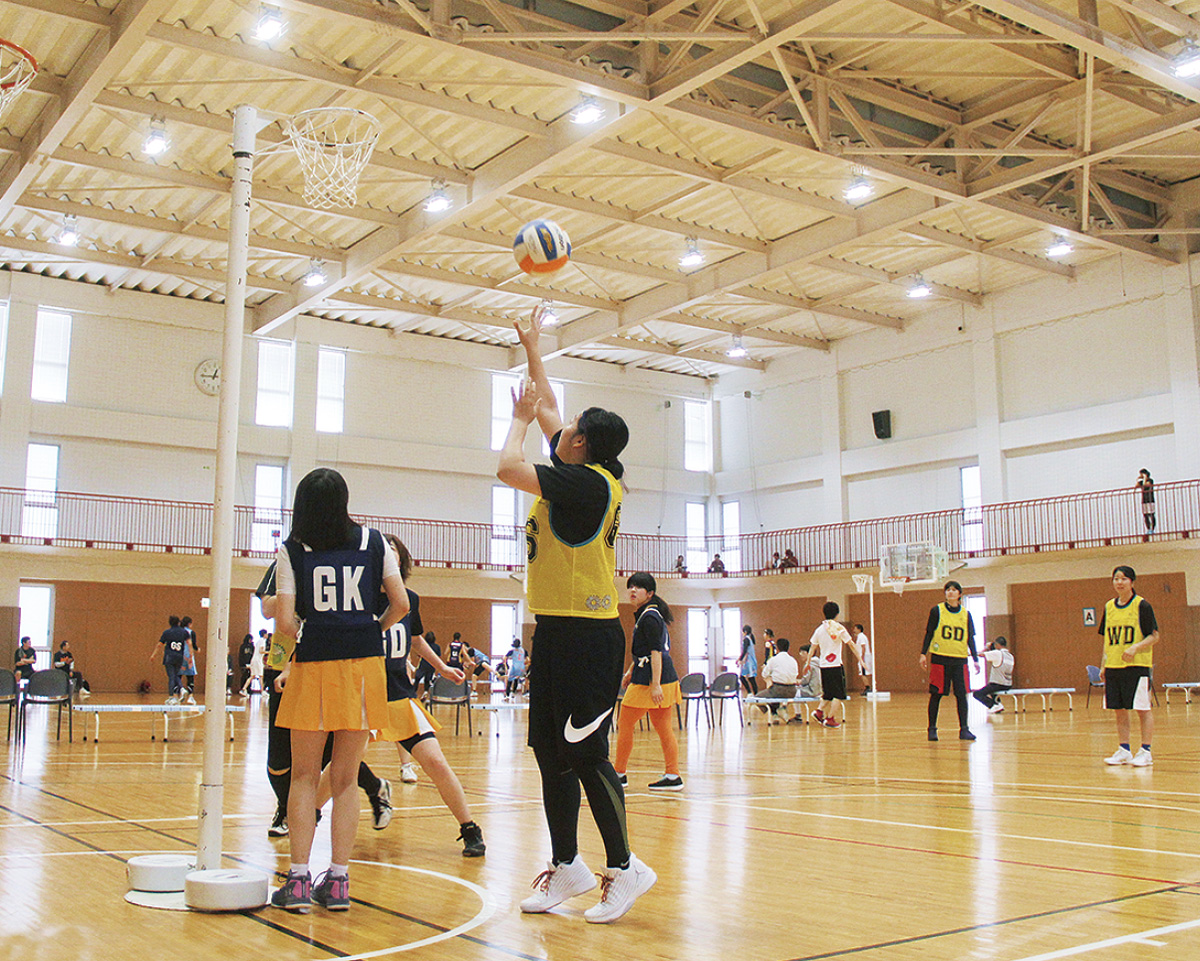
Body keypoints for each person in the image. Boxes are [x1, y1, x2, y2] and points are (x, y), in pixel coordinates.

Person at [499, 303, 655, 924]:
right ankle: (568, 866)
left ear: (583, 445)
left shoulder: (585, 483)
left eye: (570, 431)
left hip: (591, 639)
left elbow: (509, 465)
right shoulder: (580, 468)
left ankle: (625, 867)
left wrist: (514, 418)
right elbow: (551, 411)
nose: (556, 430)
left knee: (587, 755)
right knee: (548, 751)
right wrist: (535, 349)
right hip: (556, 633)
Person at [269, 467, 408, 913]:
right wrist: (371, 629)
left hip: (314, 665)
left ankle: (297, 882)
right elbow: (401, 604)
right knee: (346, 779)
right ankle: (340, 881)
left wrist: (278, 661)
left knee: (305, 776)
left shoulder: (291, 550)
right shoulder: (375, 541)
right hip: (364, 668)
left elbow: (287, 623)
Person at [375, 533, 486, 856]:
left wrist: (441, 667)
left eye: (393, 550)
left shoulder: (409, 598)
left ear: (402, 559)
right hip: (364, 694)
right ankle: (306, 815)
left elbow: (415, 640)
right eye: (382, 550)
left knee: (435, 761)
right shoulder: (361, 596)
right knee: (337, 770)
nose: (387, 554)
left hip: (399, 694)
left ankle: (469, 827)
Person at [614, 572, 683, 791]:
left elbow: (656, 652)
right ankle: (673, 776)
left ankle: (619, 773)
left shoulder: (651, 617)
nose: (632, 590)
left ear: (650, 593)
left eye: (638, 587)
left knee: (624, 723)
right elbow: (644, 651)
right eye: (630, 586)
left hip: (653, 679)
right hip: (653, 676)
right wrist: (630, 670)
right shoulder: (647, 614)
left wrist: (655, 685)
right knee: (663, 728)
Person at [1099, 566, 1159, 767]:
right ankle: (1124, 750)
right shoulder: (1108, 607)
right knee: (1119, 710)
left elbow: (1154, 636)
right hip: (1114, 666)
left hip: (1137, 666)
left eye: (1124, 579)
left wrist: (1135, 648)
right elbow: (1106, 640)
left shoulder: (1142, 605)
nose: (1119, 582)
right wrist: (1103, 665)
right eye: (1116, 578)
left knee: (1142, 709)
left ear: (1132, 582)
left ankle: (1146, 751)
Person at [920, 581, 980, 742]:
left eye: (954, 590)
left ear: (960, 594)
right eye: (948, 590)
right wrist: (923, 653)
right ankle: (932, 729)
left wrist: (975, 659)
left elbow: (970, 638)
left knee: (962, 695)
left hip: (960, 660)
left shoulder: (966, 614)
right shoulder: (937, 610)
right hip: (940, 659)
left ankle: (964, 729)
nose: (950, 592)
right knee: (936, 695)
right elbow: (929, 633)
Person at [809, 602, 854, 729]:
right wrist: (861, 660)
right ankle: (830, 718)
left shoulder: (819, 629)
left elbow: (812, 648)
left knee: (828, 693)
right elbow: (851, 644)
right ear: (837, 613)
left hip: (824, 666)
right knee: (839, 694)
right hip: (835, 665)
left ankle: (819, 712)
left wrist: (807, 663)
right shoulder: (839, 628)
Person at [150, 616, 194, 704]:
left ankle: (171, 697)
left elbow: (159, 645)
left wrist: (153, 655)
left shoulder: (167, 632)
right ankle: (181, 689)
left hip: (169, 656)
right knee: (176, 675)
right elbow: (189, 644)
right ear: (178, 622)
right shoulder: (184, 632)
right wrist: (190, 657)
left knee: (171, 676)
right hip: (179, 657)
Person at [758, 637, 799, 723]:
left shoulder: (773, 660)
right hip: (792, 691)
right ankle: (779, 710)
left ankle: (774, 713)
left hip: (778, 690)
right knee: (773, 694)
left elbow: (764, 674)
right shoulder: (793, 660)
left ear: (777, 648)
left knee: (757, 698)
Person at [973, 636, 1013, 714]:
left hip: (998, 684)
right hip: (1008, 684)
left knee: (977, 694)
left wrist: (984, 648)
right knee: (991, 689)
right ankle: (998, 704)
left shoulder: (998, 653)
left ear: (997, 644)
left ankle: (992, 705)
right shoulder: (1010, 656)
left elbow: (981, 654)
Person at [735, 624, 759, 695]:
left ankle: (750, 693)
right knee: (750, 678)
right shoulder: (750, 639)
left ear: (745, 631)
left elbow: (745, 651)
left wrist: (740, 659)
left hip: (749, 662)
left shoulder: (746, 639)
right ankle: (755, 693)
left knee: (744, 677)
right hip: (751, 661)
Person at [180, 615, 198, 704]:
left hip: (179, 656)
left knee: (178, 676)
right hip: (188, 657)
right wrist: (198, 649)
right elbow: (193, 645)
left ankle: (178, 693)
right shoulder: (191, 633)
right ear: (189, 624)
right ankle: (190, 696)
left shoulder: (178, 632)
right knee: (190, 677)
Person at [854, 624, 873, 695]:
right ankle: (866, 687)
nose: (854, 630)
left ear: (859, 629)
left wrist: (862, 658)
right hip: (864, 656)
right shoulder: (861, 636)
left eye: (855, 629)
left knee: (863, 673)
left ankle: (867, 688)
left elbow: (863, 647)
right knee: (863, 673)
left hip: (864, 657)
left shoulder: (861, 637)